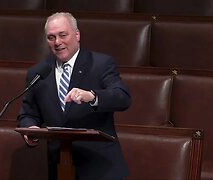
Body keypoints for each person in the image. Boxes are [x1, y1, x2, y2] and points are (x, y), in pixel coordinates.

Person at [18, 12, 131, 180]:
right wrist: (31, 128)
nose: (57, 42)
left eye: (63, 35)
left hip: (100, 168)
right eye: (51, 37)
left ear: (77, 34)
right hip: (61, 167)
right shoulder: (38, 73)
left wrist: (92, 96)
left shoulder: (101, 64)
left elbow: (122, 98)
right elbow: (28, 114)